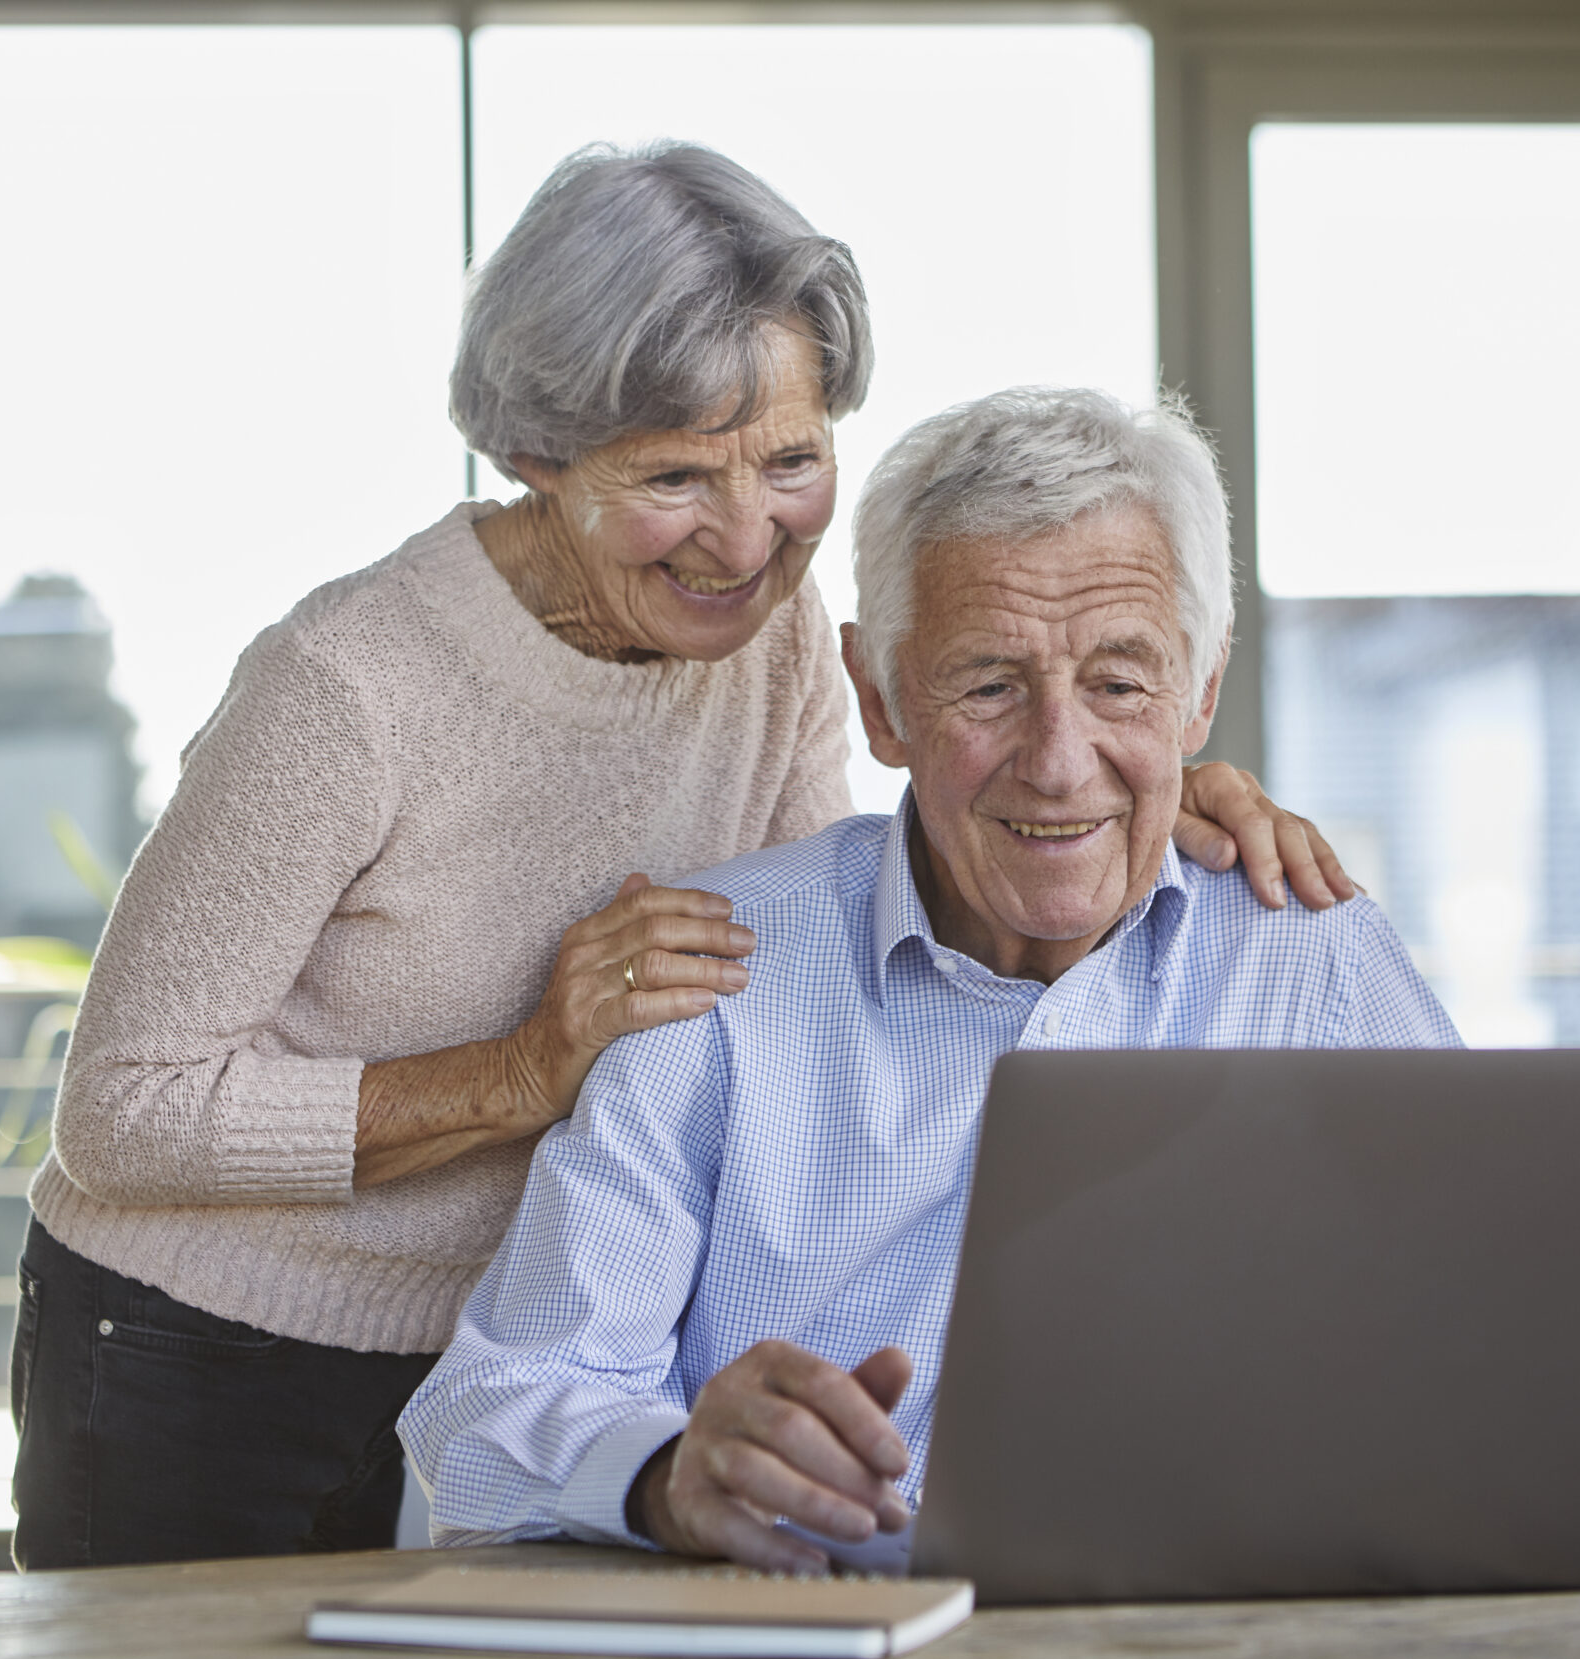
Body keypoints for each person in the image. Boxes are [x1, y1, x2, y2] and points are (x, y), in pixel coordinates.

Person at [10, 146, 1353, 1571]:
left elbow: (813, 956)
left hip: (538, 1346)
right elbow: (121, 1110)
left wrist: (1099, 778)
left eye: (789, 461)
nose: (743, 537)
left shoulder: (777, 644)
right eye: (671, 475)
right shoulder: (346, 686)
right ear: (537, 457)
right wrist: (525, 1070)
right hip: (208, 1345)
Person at [400, 386, 1462, 1571]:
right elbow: (488, 1413)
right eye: (988, 685)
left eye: (1119, 683)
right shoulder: (714, 970)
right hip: (825, 1650)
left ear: (1200, 689)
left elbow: (1497, 1342)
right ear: (880, 698)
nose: (1058, 766)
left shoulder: (1308, 954)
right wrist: (661, 1474)